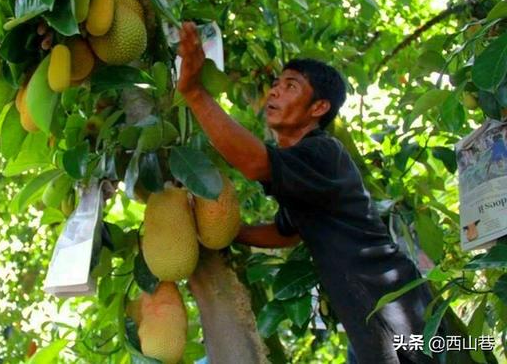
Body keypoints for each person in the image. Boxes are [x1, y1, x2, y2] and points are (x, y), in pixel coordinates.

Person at [177, 22, 442, 363]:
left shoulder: (323, 153)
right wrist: (226, 235)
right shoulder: (300, 173)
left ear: (318, 108)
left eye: (291, 86)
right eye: (275, 85)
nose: (274, 92)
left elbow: (256, 164)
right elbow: (288, 234)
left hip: (396, 307)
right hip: (365, 312)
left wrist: (195, 93)